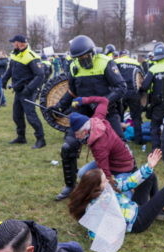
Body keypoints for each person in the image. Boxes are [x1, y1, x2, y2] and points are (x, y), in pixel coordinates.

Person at [50, 35, 127, 200]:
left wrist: (103, 103)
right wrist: (59, 106)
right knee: (67, 147)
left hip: (107, 112)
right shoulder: (73, 66)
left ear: (92, 52)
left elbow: (121, 87)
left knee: (119, 147)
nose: (83, 60)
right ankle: (70, 186)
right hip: (83, 114)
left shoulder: (106, 62)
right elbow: (72, 91)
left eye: (85, 56)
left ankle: (123, 184)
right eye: (79, 58)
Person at [68, 147, 164, 237]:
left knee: (149, 176)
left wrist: (149, 166)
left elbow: (129, 182)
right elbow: (95, 230)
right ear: (96, 187)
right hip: (137, 222)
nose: (107, 179)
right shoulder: (97, 205)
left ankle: (157, 211)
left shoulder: (108, 186)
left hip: (134, 207)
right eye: (104, 180)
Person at [2, 34, 46, 149]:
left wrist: (29, 89)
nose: (12, 44)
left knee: (31, 116)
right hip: (18, 90)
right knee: (17, 116)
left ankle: (41, 140)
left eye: (13, 42)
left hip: (28, 91)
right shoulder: (15, 54)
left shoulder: (32, 56)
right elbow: (10, 69)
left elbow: (40, 75)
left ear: (20, 43)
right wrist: (4, 80)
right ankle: (21, 137)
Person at [114, 49, 145, 144]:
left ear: (120, 55)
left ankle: (119, 139)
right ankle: (138, 140)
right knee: (136, 117)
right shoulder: (136, 63)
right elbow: (141, 78)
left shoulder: (116, 62)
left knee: (119, 115)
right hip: (134, 92)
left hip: (121, 92)